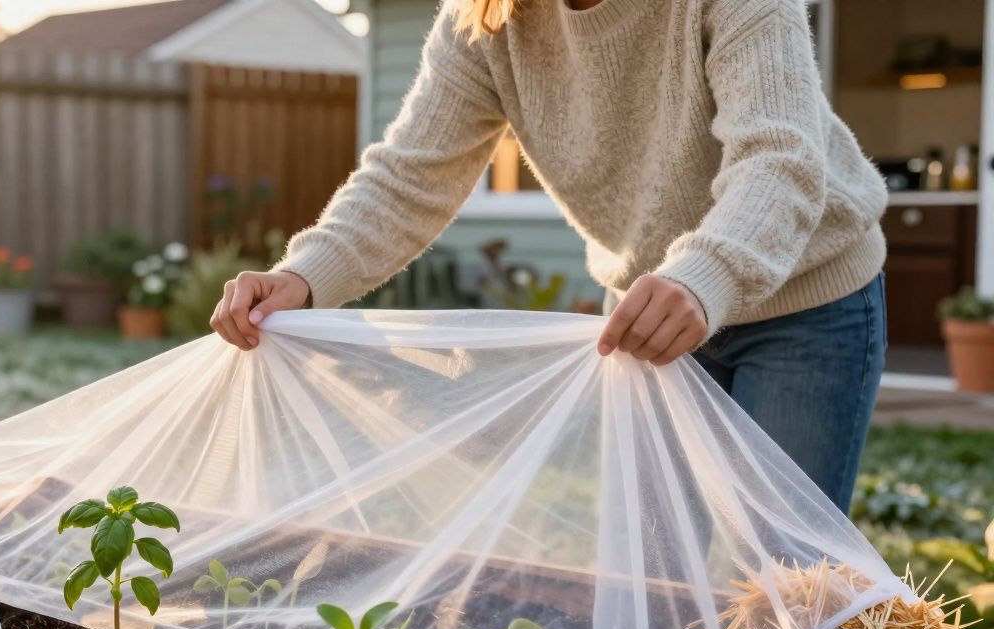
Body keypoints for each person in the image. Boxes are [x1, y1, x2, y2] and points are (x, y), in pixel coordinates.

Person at [209, 0, 886, 513]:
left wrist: (706, 277)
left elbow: (782, 158)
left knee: (784, 586)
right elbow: (409, 177)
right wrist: (303, 274)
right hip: (648, 322)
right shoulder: (486, 20)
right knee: (652, 575)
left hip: (805, 305)